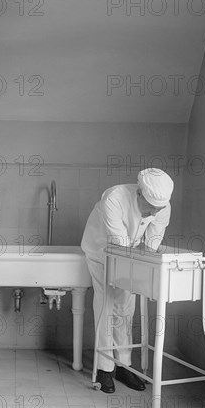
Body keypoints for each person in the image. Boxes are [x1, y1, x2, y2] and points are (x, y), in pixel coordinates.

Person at [81, 168, 174, 393]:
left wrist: (141, 270)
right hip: (101, 250)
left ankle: (124, 365)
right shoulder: (114, 198)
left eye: (157, 209)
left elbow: (151, 242)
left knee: (126, 307)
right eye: (149, 207)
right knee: (107, 304)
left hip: (129, 253)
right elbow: (119, 242)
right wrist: (135, 266)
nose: (153, 212)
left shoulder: (163, 207)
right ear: (139, 193)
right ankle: (104, 368)